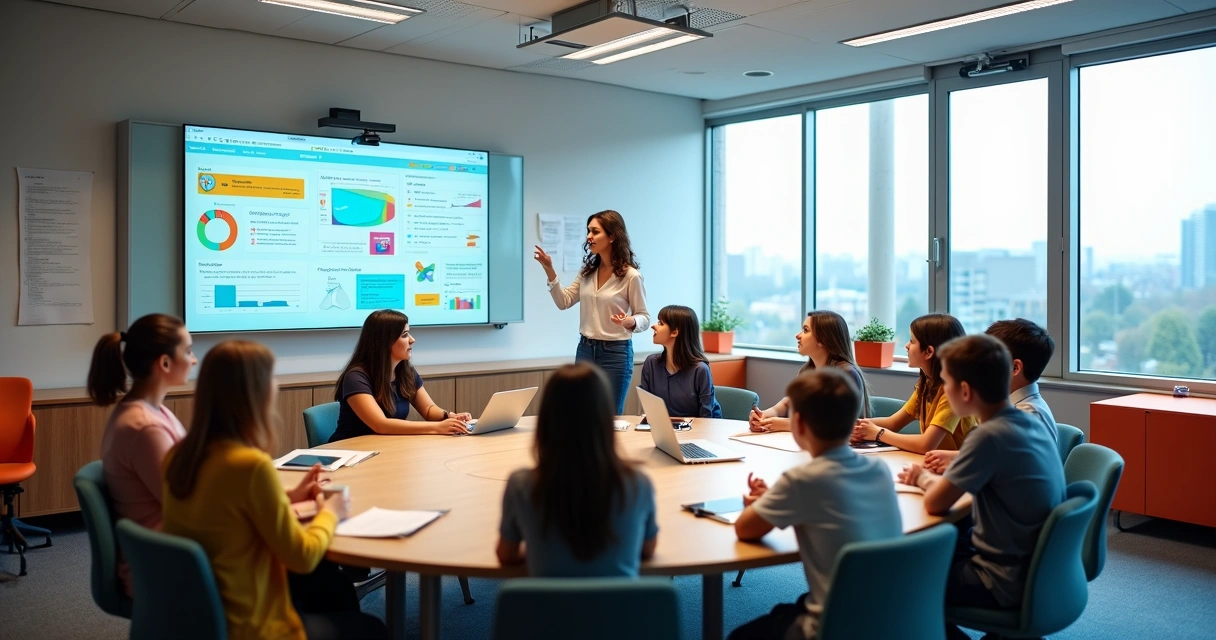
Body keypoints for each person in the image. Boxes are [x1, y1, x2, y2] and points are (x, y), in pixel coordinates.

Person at [163, 341, 385, 640]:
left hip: (203, 607)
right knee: (371, 627)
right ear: (254, 392)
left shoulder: (179, 455)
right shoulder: (249, 465)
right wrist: (330, 513)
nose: (276, 384)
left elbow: (224, 510)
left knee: (332, 584)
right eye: (270, 377)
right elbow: (302, 556)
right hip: (252, 624)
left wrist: (288, 497)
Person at [897, 335, 1064, 640]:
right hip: (1037, 570)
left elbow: (935, 504)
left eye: (946, 383)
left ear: (964, 391)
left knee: (899, 583)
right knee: (946, 541)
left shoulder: (989, 435)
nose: (943, 391)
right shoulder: (1026, 421)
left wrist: (921, 478)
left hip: (1000, 579)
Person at [730, 368, 902, 640]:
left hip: (834, 628)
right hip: (892, 618)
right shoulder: (879, 469)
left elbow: (744, 529)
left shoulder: (802, 480)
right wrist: (774, 500)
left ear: (797, 424)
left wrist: (761, 504)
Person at [496, 362, 658, 576]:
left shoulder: (521, 485)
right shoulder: (638, 482)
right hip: (618, 609)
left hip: (546, 608)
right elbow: (647, 550)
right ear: (604, 418)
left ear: (546, 419)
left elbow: (506, 555)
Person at [87, 313, 196, 596]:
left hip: (175, 545)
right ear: (165, 363)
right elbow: (184, 503)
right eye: (188, 351)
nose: (194, 360)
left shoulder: (152, 411)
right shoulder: (144, 426)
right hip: (165, 562)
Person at [535, 210, 650, 413]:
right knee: (581, 413)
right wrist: (549, 269)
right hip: (586, 349)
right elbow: (564, 301)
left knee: (610, 416)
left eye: (595, 232)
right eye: (588, 231)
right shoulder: (587, 272)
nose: (589, 237)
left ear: (612, 236)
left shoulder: (631, 276)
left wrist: (630, 321)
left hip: (616, 353)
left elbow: (644, 317)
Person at [925, 318, 1058, 473]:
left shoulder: (1028, 416)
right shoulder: (1005, 408)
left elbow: (1006, 467)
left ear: (1015, 368)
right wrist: (956, 457)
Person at [330, 309, 471, 442]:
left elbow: (428, 410)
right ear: (384, 342)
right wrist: (437, 427)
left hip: (385, 447)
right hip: (350, 452)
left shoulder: (405, 372)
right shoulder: (356, 377)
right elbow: (381, 425)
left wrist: (450, 416)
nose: (412, 340)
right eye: (404, 335)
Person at [851, 313, 975, 453]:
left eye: (912, 341)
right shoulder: (927, 383)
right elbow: (893, 423)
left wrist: (878, 433)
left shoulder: (953, 391)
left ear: (928, 352)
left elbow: (926, 445)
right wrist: (854, 427)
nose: (906, 346)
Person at [750, 310, 871, 433]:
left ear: (822, 340)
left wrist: (786, 424)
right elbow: (788, 404)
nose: (798, 335)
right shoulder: (807, 370)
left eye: (805, 330)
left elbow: (835, 424)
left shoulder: (846, 374)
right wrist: (764, 416)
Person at [639, 304, 722, 419]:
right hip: (664, 430)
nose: (653, 326)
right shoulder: (651, 363)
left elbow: (706, 418)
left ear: (674, 332)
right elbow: (648, 408)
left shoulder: (700, 369)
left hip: (699, 432)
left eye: (660, 323)